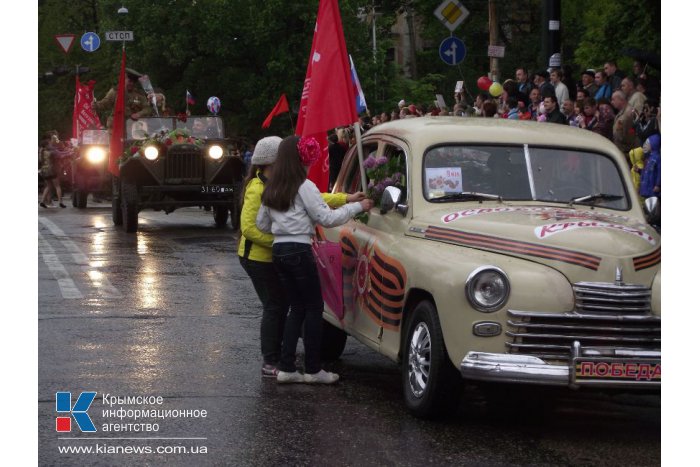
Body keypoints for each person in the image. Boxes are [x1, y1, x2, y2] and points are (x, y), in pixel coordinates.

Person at [241, 136, 367, 379]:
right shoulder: (290, 185)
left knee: (294, 307)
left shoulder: (273, 186)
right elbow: (324, 215)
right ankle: (310, 368)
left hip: (277, 253)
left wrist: (282, 230)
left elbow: (262, 223)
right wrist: (357, 207)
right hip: (287, 252)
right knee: (305, 307)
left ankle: (286, 366)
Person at [39, 132, 68, 208]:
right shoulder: (51, 152)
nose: (50, 144)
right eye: (48, 143)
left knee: (48, 186)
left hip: (44, 171)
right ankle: (60, 202)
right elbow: (61, 155)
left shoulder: (42, 152)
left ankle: (42, 201)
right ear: (47, 145)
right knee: (57, 186)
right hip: (52, 170)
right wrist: (70, 152)